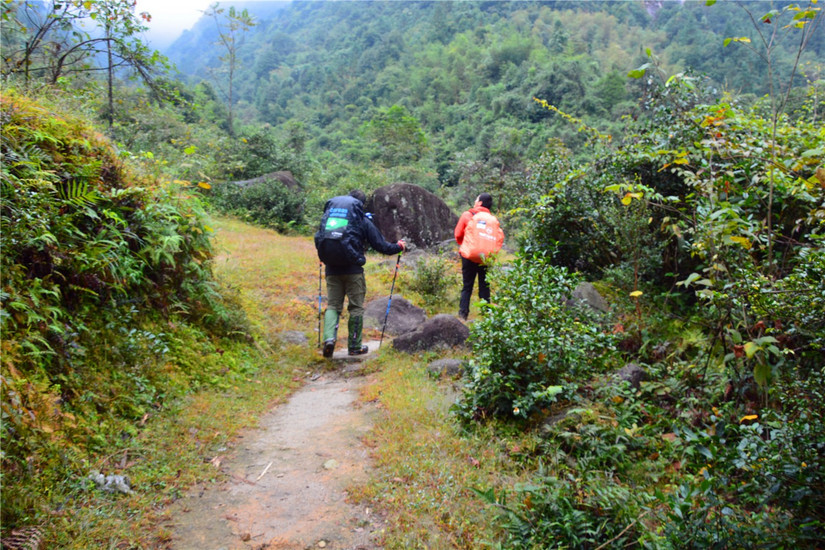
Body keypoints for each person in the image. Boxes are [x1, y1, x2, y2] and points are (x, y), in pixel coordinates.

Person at [315, 189, 406, 358]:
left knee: (333, 306)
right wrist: (399, 247)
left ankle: (329, 339)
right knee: (355, 307)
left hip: (331, 269)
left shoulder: (331, 219)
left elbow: (317, 238)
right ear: (360, 204)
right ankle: (354, 346)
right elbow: (382, 246)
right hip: (353, 270)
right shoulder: (361, 220)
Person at [454, 192, 504, 320]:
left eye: (476, 199)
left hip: (469, 255)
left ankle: (463, 315)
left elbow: (458, 234)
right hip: (485, 257)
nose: (475, 201)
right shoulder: (493, 221)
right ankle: (486, 318)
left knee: (467, 286)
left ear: (480, 202)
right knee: (484, 287)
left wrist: (467, 245)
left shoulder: (468, 215)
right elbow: (499, 238)